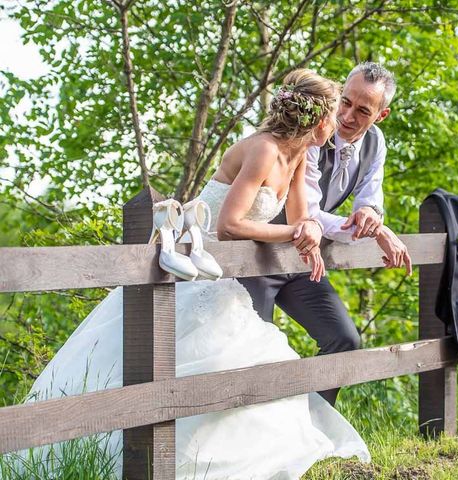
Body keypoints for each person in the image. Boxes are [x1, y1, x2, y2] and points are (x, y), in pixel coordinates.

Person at [24, 69, 370, 480]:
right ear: (317, 118)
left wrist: (309, 230)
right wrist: (299, 231)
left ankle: (227, 455)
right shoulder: (261, 149)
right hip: (196, 270)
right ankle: (137, 455)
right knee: (170, 364)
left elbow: (299, 217)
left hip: (226, 280)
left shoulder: (296, 157)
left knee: (254, 363)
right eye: (334, 112)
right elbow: (229, 225)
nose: (338, 122)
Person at [239, 62, 412, 405]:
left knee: (344, 339)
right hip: (258, 256)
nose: (347, 115)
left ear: (381, 115)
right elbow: (309, 214)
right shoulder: (313, 131)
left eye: (363, 110)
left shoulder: (375, 143)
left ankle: (310, 428)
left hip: (304, 261)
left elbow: (370, 198)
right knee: (250, 354)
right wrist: (373, 230)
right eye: (345, 102)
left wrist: (372, 216)